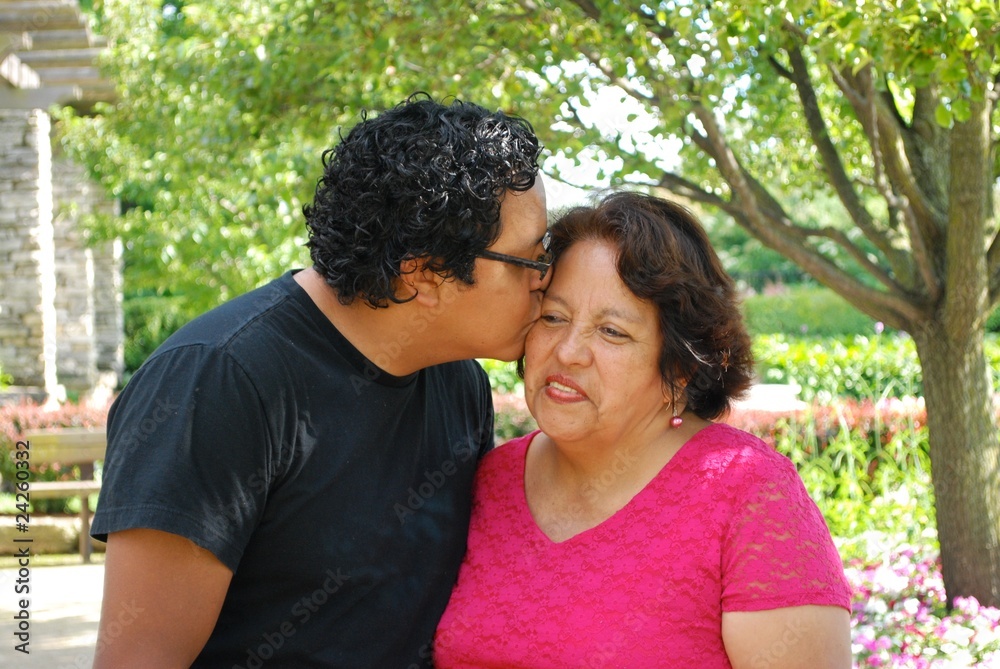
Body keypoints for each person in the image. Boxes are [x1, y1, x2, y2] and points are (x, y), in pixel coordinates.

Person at [90, 93, 552, 668]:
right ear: (424, 271)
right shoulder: (217, 381)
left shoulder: (458, 383)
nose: (546, 280)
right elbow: (140, 659)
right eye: (531, 260)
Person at [434, 192, 853, 668]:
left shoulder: (749, 493)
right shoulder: (491, 478)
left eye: (612, 331)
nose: (569, 351)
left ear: (680, 367)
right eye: (552, 317)